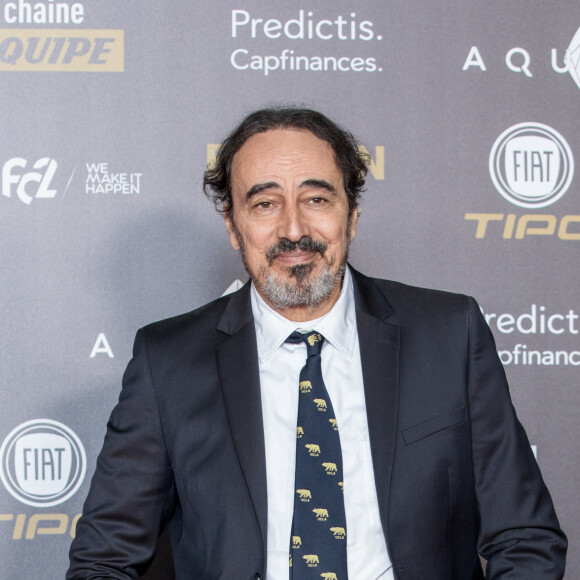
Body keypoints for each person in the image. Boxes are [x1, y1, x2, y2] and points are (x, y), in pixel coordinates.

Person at [67, 107, 566, 580]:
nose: (293, 229)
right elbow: (103, 558)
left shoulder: (449, 333)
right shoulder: (168, 360)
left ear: (351, 215)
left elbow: (524, 536)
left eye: (316, 198)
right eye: (264, 203)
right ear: (233, 227)